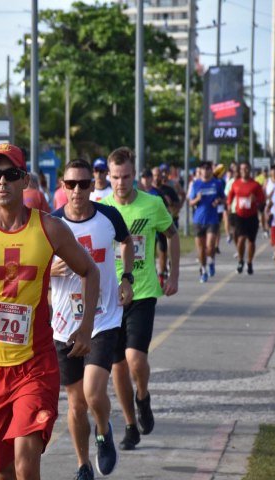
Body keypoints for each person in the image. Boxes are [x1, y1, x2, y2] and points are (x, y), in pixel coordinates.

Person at [0, 143, 100, 480]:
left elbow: (90, 270)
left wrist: (85, 327)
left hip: (35, 367)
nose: (2, 182)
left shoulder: (49, 228)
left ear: (24, 180)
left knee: (27, 464)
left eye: (11, 175)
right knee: (4, 471)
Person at [51, 160, 134, 480]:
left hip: (103, 318)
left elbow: (127, 242)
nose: (77, 191)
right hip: (64, 324)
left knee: (94, 393)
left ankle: (103, 430)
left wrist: (126, 277)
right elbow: (33, 265)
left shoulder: (108, 217)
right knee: (75, 404)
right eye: (71, 184)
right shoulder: (52, 223)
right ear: (62, 185)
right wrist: (49, 272)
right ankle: (83, 464)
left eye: (83, 184)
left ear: (92, 186)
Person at [100, 147, 180, 451]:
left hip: (143, 290)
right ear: (108, 176)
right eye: (116, 177)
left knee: (135, 358)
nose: (121, 183)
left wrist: (172, 275)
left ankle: (143, 395)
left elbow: (171, 235)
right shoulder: (101, 208)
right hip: (111, 295)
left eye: (127, 177)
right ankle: (131, 425)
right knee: (117, 366)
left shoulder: (153, 204)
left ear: (135, 176)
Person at [188, 161, 225, 283]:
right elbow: (190, 202)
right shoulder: (196, 184)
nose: (206, 171)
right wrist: (197, 199)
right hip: (198, 220)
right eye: (203, 169)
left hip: (212, 220)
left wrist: (218, 201)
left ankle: (211, 261)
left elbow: (223, 198)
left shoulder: (217, 183)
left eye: (208, 169)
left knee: (210, 246)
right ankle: (203, 270)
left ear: (211, 170)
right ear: (201, 171)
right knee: (201, 249)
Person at [227, 162, 266, 275]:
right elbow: (230, 196)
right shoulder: (236, 183)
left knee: (251, 241)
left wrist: (255, 199)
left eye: (246, 168)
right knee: (241, 239)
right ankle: (240, 260)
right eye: (242, 168)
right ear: (240, 170)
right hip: (240, 215)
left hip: (252, 216)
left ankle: (249, 262)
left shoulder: (255, 185)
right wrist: (229, 206)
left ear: (250, 170)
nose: (244, 170)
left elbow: (262, 199)